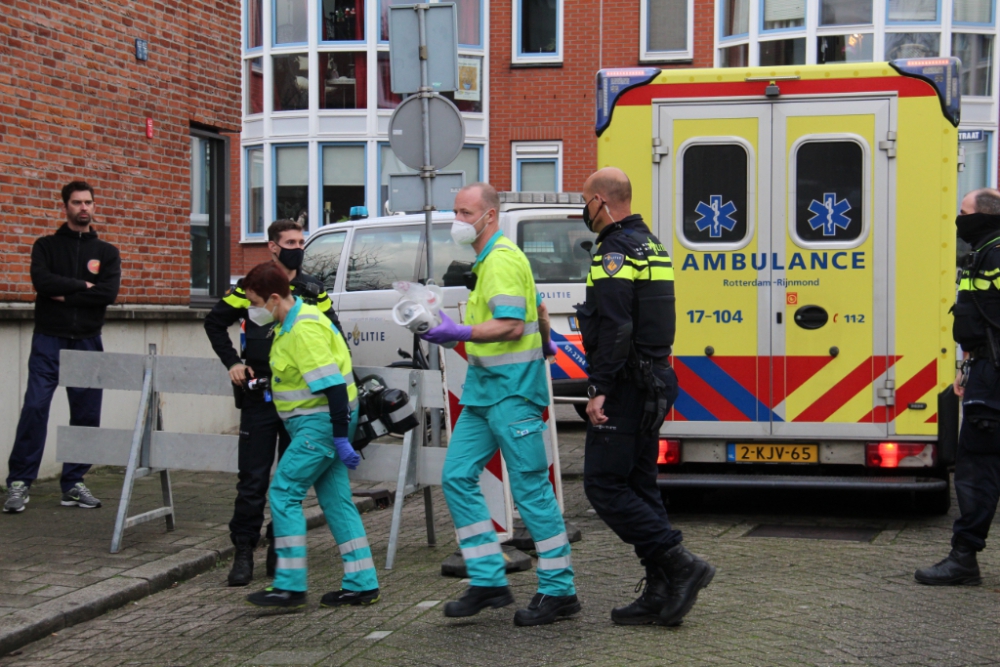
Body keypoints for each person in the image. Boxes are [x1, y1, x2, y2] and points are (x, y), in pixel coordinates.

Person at [419, 182, 578, 627]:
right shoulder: (490, 261)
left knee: (530, 491)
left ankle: (559, 590)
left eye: (465, 212)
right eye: (455, 211)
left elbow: (509, 325)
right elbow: (537, 316)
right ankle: (489, 578)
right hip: (487, 393)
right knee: (456, 476)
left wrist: (458, 333)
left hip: (511, 394)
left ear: (489, 216)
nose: (458, 221)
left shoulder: (503, 260)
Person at [577, 167, 714, 626]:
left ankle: (680, 564)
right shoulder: (651, 244)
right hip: (655, 378)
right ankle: (661, 589)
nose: (584, 211)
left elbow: (616, 326)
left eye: (585, 201)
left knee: (602, 484)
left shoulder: (613, 251)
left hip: (628, 385)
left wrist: (599, 387)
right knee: (639, 484)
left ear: (601, 201)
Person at [204, 219, 343, 586]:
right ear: (273, 246)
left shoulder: (313, 288)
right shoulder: (251, 287)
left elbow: (336, 335)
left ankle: (279, 549)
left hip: (300, 401)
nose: (298, 246)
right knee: (252, 478)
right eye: (291, 241)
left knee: (290, 479)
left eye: (302, 240)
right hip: (261, 396)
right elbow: (214, 322)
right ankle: (244, 551)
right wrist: (233, 362)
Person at [240, 262, 379, 609]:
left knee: (284, 492)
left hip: (319, 426)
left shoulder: (302, 329)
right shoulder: (290, 324)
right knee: (337, 502)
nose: (251, 311)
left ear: (274, 298)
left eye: (255, 303)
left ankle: (289, 586)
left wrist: (339, 437)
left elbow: (332, 387)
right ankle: (362, 583)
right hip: (320, 424)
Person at [4, 180, 121, 514]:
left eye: (88, 202)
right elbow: (42, 282)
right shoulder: (46, 246)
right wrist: (83, 286)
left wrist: (65, 293)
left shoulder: (107, 253)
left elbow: (107, 294)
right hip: (48, 339)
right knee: (35, 407)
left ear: (94, 206)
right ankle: (19, 483)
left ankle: (73, 483)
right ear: (65, 206)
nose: (83, 208)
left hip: (87, 340)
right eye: (76, 203)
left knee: (85, 414)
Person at [916, 188, 1000, 586]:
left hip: (995, 375)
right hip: (983, 368)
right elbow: (978, 321)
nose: (959, 218)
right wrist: (966, 367)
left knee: (977, 468)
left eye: (963, 212)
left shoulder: (994, 253)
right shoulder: (983, 251)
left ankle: (964, 558)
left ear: (982, 215)